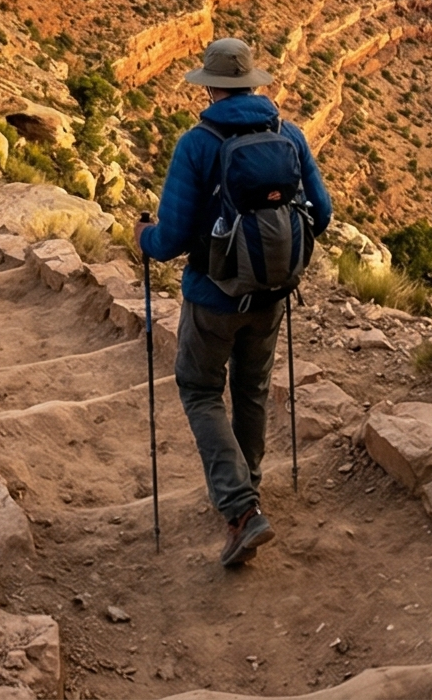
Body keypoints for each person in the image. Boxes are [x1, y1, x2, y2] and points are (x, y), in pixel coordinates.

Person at [136, 36, 332, 571]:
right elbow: (323, 210)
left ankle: (241, 510)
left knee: (199, 390)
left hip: (212, 294)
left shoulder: (196, 144)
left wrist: (144, 238)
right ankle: (251, 490)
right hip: (272, 291)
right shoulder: (287, 134)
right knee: (252, 390)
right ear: (251, 82)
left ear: (213, 87)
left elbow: (172, 237)